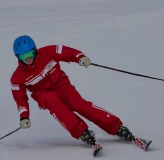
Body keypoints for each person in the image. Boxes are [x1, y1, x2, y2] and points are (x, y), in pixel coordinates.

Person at [10, 35, 146, 150]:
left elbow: (68, 52)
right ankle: (82, 132)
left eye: (30, 53)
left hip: (61, 85)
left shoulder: (48, 52)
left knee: (79, 104)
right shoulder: (17, 78)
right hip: (43, 94)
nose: (28, 58)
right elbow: (20, 99)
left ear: (35, 50)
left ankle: (116, 127)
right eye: (24, 56)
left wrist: (80, 57)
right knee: (56, 105)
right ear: (18, 57)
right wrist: (24, 117)